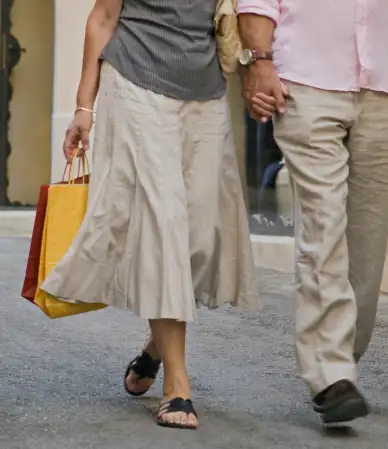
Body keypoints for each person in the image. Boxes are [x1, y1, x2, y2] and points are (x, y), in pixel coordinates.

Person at [236, 0, 388, 424]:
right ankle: (330, 374)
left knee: (368, 239)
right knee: (324, 224)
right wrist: (260, 60)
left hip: (381, 84)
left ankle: (344, 352)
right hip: (304, 81)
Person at [40, 0, 258, 430]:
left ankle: (156, 346)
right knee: (164, 228)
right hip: (135, 81)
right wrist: (84, 106)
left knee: (198, 238)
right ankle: (178, 385)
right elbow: (102, 19)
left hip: (205, 89)